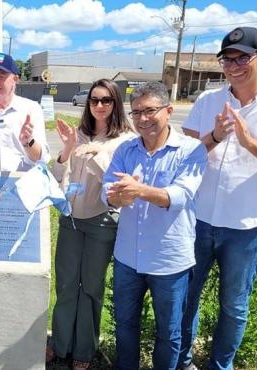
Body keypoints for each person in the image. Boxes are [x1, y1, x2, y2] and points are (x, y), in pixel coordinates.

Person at [177, 27, 257, 370]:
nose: (233, 65)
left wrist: (249, 142)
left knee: (234, 305)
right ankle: (183, 362)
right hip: (197, 220)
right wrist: (214, 136)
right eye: (227, 58)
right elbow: (184, 157)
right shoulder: (207, 100)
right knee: (186, 299)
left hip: (248, 226)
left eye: (243, 57)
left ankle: (219, 366)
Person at [101, 82, 207, 370]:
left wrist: (137, 190)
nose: (142, 119)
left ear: (169, 110)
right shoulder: (126, 148)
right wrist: (114, 196)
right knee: (124, 324)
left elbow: (181, 196)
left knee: (169, 333)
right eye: (136, 113)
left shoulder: (191, 150)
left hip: (169, 260)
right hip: (128, 258)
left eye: (150, 110)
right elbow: (107, 189)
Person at [47, 79, 135, 370]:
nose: (99, 106)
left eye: (106, 100)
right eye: (94, 100)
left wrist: (98, 157)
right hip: (71, 218)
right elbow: (58, 173)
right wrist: (68, 148)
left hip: (101, 220)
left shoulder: (125, 139)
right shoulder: (80, 134)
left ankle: (84, 349)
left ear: (116, 104)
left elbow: (119, 183)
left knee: (91, 287)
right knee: (67, 285)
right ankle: (61, 345)